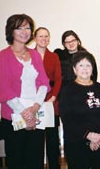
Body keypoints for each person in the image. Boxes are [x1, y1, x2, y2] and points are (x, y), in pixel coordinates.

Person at [0, 14, 50, 169]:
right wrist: (26, 114)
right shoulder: (3, 56)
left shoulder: (34, 55)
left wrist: (35, 108)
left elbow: (44, 83)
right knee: (17, 162)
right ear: (11, 31)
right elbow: (5, 90)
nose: (25, 31)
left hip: (36, 114)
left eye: (27, 27)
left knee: (35, 160)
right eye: (19, 27)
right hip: (14, 117)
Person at [59, 51, 100, 169]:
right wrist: (88, 135)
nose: (85, 69)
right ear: (74, 69)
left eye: (88, 65)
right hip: (77, 143)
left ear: (93, 68)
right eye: (81, 65)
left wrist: (98, 138)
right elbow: (67, 118)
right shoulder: (67, 90)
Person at [34, 27, 62, 169]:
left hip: (51, 101)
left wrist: (54, 97)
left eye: (46, 36)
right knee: (36, 140)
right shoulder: (28, 55)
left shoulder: (54, 56)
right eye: (40, 36)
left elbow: (58, 79)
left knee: (52, 139)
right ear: (35, 38)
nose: (44, 39)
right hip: (34, 102)